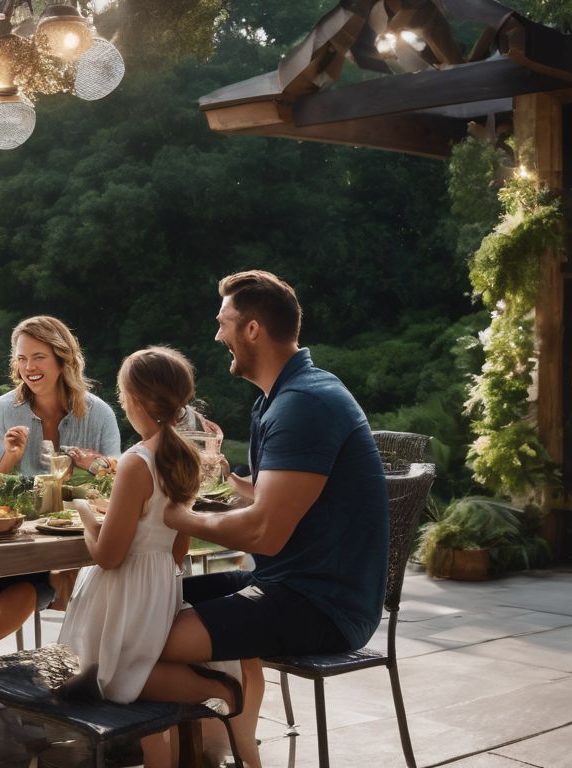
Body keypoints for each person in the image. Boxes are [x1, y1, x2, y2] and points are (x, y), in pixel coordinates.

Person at [160, 270, 390, 767]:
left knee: (151, 635)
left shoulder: (303, 403)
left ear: (252, 329)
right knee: (149, 600)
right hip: (291, 581)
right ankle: (230, 749)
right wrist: (228, 481)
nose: (217, 334)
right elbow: (275, 501)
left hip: (323, 603)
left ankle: (214, 724)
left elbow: (264, 531)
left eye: (223, 323)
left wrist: (175, 515)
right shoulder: (282, 396)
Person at [0, 316, 122, 680]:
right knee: (18, 594)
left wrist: (96, 465)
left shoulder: (100, 413)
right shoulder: (3, 409)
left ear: (63, 359)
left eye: (39, 357)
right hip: (20, 537)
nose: (28, 368)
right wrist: (11, 458)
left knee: (101, 577)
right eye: (21, 358)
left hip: (83, 534)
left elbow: (115, 480)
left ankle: (90, 661)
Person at [58, 346, 217, 768]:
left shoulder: (136, 461)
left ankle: (215, 687)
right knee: (122, 673)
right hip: (159, 589)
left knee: (99, 677)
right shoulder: (186, 457)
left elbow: (109, 556)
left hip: (122, 596)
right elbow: (179, 546)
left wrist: (86, 513)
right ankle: (162, 747)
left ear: (134, 400)